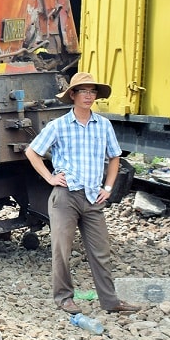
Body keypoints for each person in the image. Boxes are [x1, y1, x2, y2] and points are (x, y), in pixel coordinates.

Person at [25, 72, 141, 315]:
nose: (89, 96)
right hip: (65, 196)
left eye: (92, 91)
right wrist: (49, 177)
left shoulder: (104, 125)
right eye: (83, 91)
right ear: (73, 95)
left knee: (101, 251)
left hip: (92, 197)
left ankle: (110, 302)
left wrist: (108, 188)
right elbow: (32, 152)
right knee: (61, 250)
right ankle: (64, 298)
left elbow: (115, 156)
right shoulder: (59, 126)